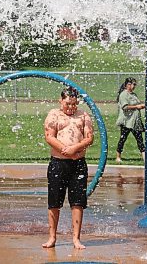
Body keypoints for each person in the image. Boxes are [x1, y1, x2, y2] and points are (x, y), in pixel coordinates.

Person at [42, 86, 94, 250]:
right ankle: (52, 237)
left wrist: (75, 149)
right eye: (67, 104)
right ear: (61, 101)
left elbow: (89, 138)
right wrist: (66, 149)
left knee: (78, 202)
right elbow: (49, 136)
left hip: (78, 164)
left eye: (74, 104)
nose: (71, 107)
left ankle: (76, 238)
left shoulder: (83, 116)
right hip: (58, 163)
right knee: (54, 202)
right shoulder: (54, 115)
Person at [116, 77, 145, 163]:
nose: (134, 86)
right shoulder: (123, 95)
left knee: (140, 139)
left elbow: (137, 105)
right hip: (126, 121)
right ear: (128, 85)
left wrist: (142, 106)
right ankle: (118, 157)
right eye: (133, 84)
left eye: (135, 84)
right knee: (123, 139)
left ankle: (145, 158)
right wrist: (137, 107)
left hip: (135, 122)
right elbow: (125, 107)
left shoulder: (134, 95)